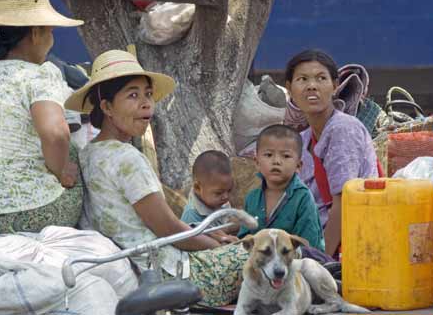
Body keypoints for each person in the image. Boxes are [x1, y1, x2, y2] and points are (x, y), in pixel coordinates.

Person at [64, 49, 247, 306]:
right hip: (168, 274)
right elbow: (166, 228)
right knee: (271, 255)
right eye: (133, 95)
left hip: (133, 267)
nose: (146, 103)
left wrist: (210, 235)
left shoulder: (88, 154)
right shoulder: (127, 159)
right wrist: (214, 246)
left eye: (148, 94)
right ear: (106, 107)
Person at [0, 0, 84, 233]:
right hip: (31, 212)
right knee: (75, 154)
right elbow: (55, 133)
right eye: (50, 31)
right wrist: (62, 173)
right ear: (36, 33)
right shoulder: (40, 74)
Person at [284, 49, 378, 257]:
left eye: (321, 78)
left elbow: (344, 203)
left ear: (335, 86)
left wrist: (320, 258)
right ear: (289, 88)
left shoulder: (343, 129)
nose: (312, 86)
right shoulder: (302, 138)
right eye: (302, 79)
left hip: (347, 244)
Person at [238, 124, 325, 252]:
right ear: (257, 162)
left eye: (286, 156)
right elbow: (245, 238)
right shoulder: (252, 198)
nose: (276, 161)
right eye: (268, 155)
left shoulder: (302, 198)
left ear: (298, 165)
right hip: (257, 262)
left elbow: (309, 247)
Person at [181, 150, 238, 243]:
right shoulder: (191, 216)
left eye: (229, 190)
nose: (226, 197)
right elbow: (197, 243)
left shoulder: (218, 201)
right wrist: (226, 233)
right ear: (198, 188)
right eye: (219, 193)